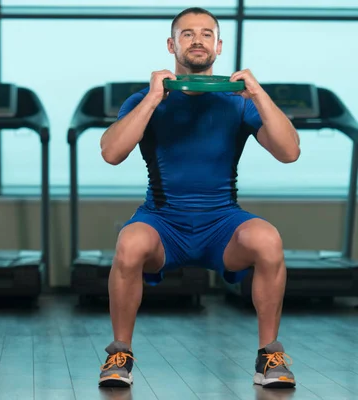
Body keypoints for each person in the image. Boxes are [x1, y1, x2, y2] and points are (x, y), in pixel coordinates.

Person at [98, 8, 299, 389]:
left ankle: (269, 355)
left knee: (267, 238)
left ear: (219, 46)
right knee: (129, 242)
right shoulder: (144, 100)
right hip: (163, 221)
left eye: (207, 34)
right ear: (172, 45)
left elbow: (289, 152)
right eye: (187, 34)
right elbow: (111, 152)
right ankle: (119, 354)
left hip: (222, 223)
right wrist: (154, 97)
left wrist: (258, 92)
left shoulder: (239, 102)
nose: (197, 40)